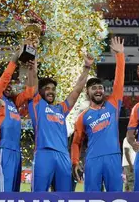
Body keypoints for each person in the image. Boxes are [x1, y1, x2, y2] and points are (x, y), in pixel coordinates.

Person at [28, 53, 94, 192]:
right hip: (44, 154)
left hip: (63, 156)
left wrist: (86, 68)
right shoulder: (37, 105)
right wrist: (33, 64)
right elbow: (32, 82)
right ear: (40, 92)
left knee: (65, 197)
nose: (51, 92)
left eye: (53, 89)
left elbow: (77, 90)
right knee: (38, 197)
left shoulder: (61, 108)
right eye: (47, 89)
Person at [71, 36, 125, 192]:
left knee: (117, 198)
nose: (98, 90)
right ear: (88, 93)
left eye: (100, 87)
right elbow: (76, 142)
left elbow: (119, 81)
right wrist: (75, 161)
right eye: (94, 88)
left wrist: (119, 55)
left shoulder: (113, 104)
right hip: (92, 160)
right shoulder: (83, 117)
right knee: (91, 200)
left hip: (113, 157)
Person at [0, 46, 36, 192]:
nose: (8, 86)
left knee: (14, 194)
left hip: (16, 150)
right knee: (3, 193)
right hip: (2, 148)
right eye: (5, 84)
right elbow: (5, 77)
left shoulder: (12, 103)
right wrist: (15, 57)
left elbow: (30, 92)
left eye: (10, 85)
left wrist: (32, 68)